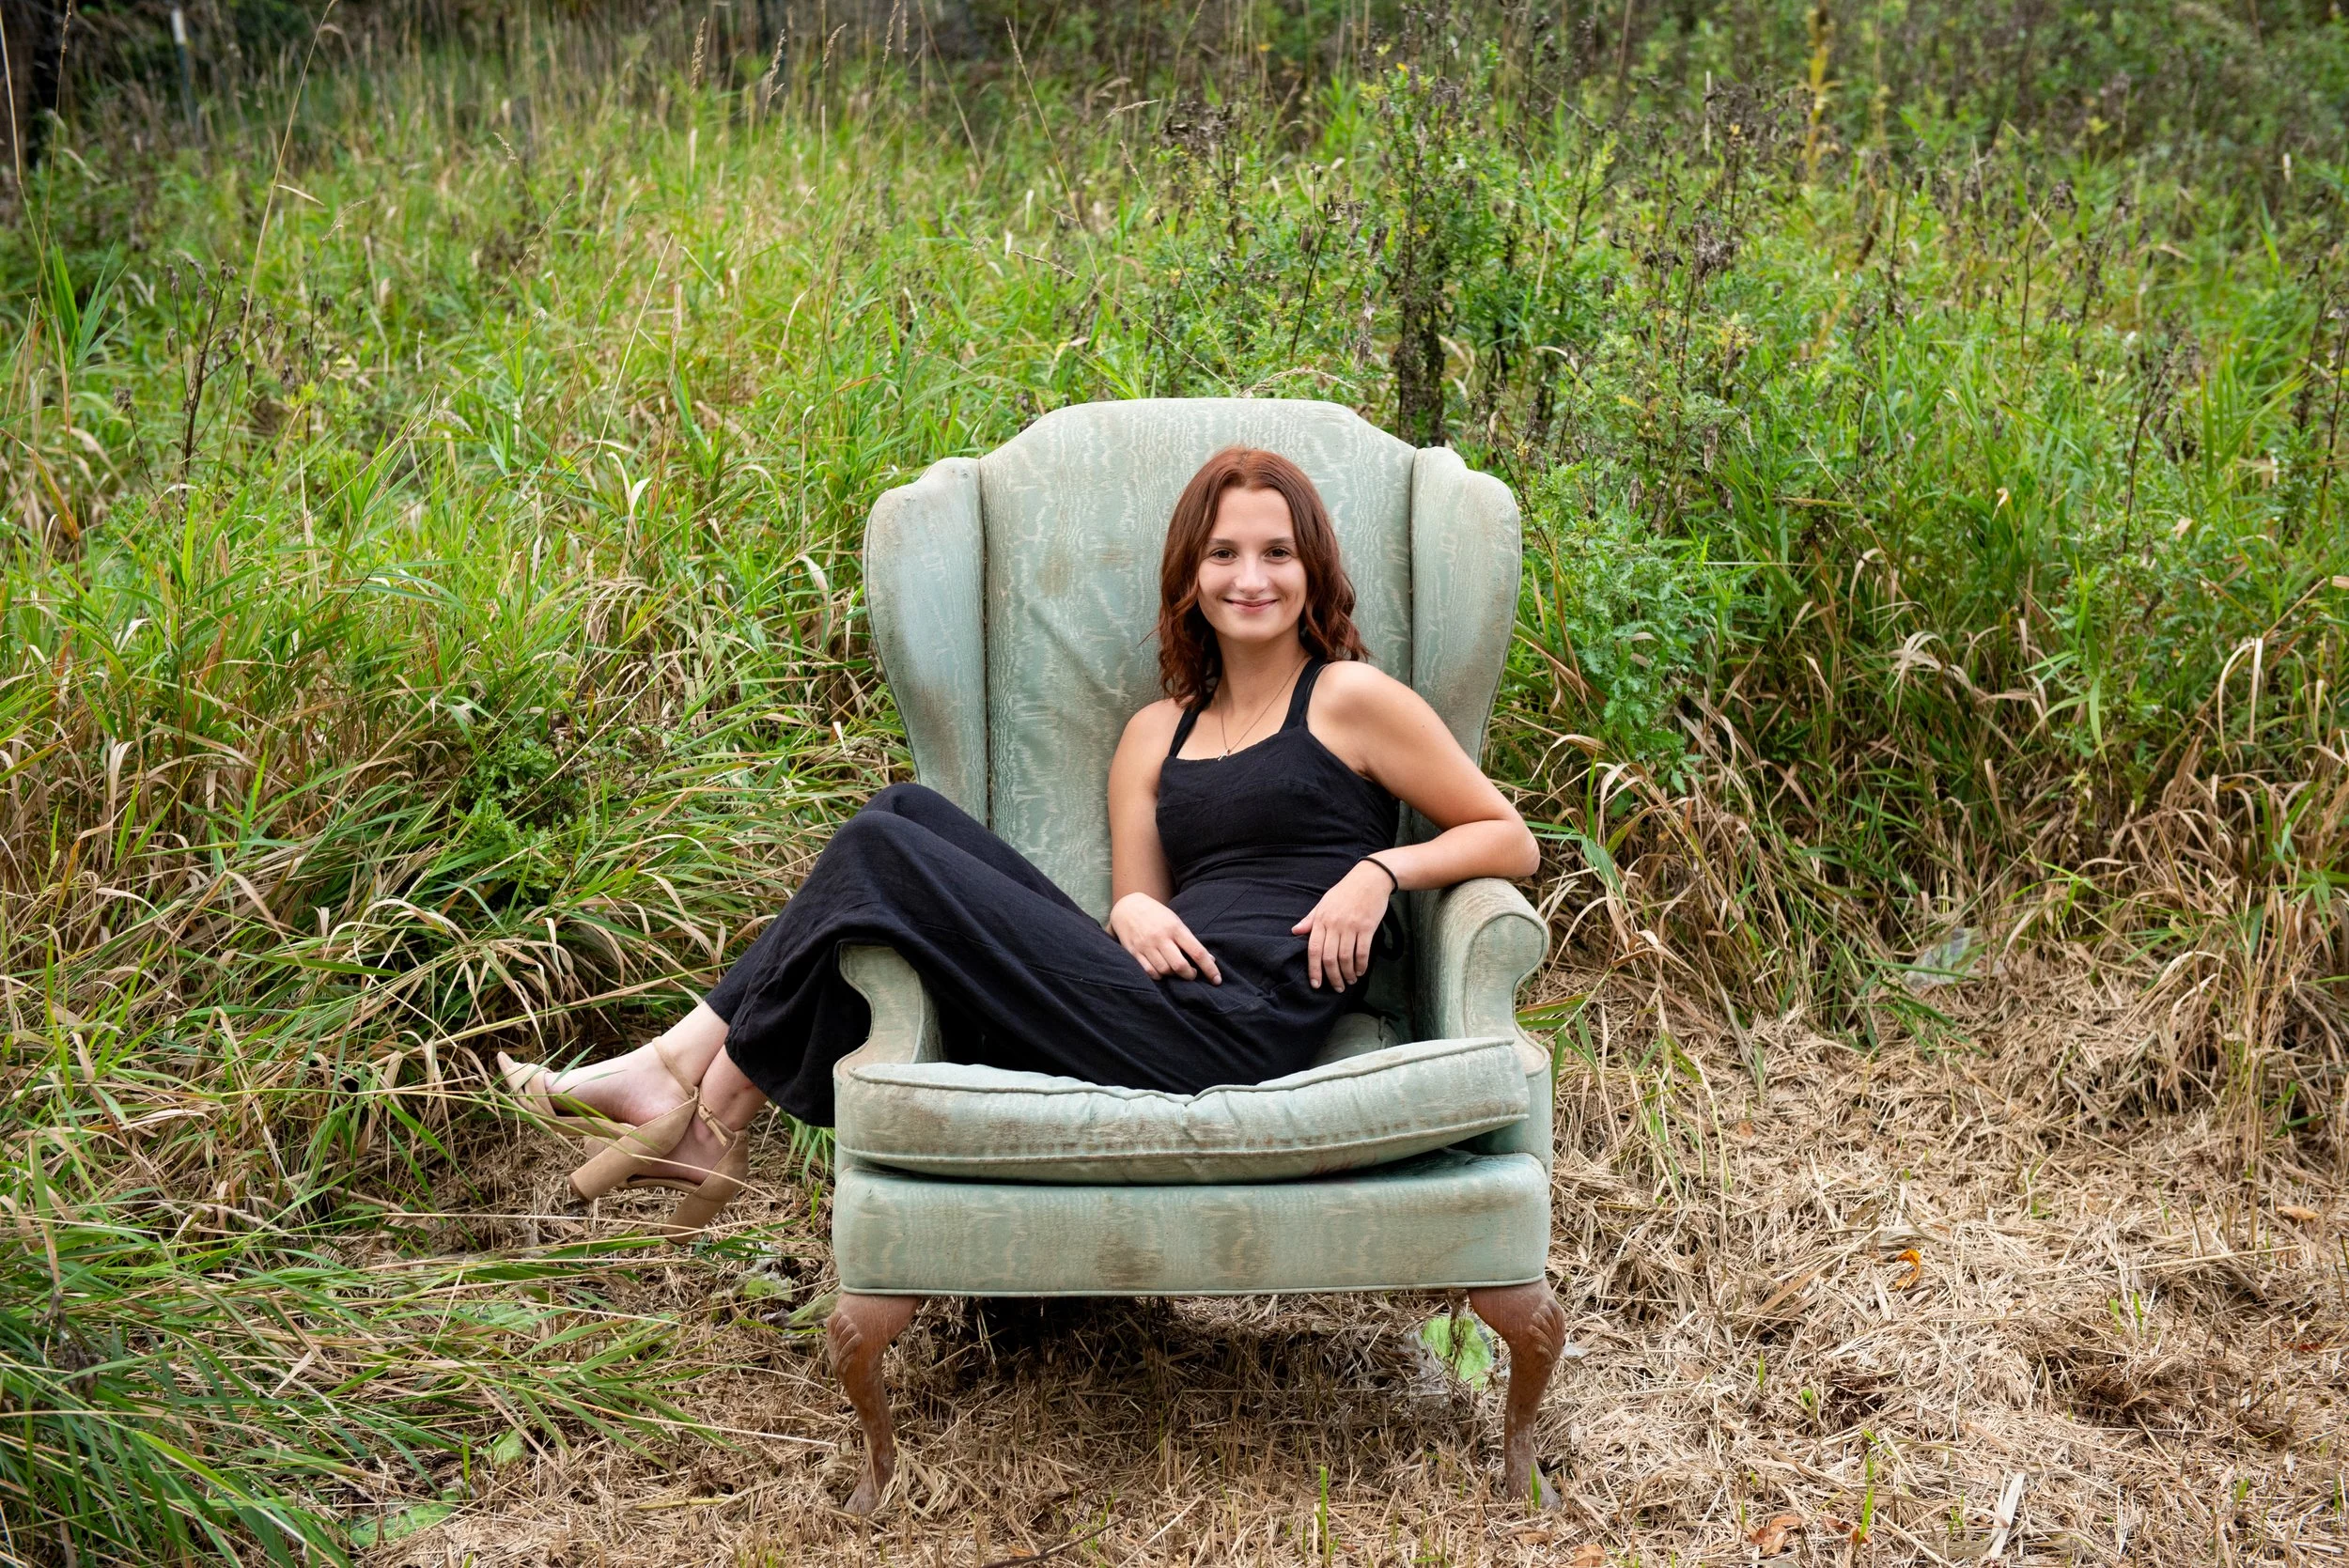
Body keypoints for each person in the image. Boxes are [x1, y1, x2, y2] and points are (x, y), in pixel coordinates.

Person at [495, 445, 1541, 1241]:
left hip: (1239, 1026)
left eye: (1277, 552)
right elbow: (1138, 908)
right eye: (1224, 552)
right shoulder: (1153, 731)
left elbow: (1510, 838)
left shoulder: (1352, 698)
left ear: (1312, 571)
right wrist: (1132, 906)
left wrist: (1378, 870)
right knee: (901, 817)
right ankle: (707, 1110)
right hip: (1150, 996)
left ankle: (688, 1084)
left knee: (881, 848)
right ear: (1191, 572)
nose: (1250, 576)